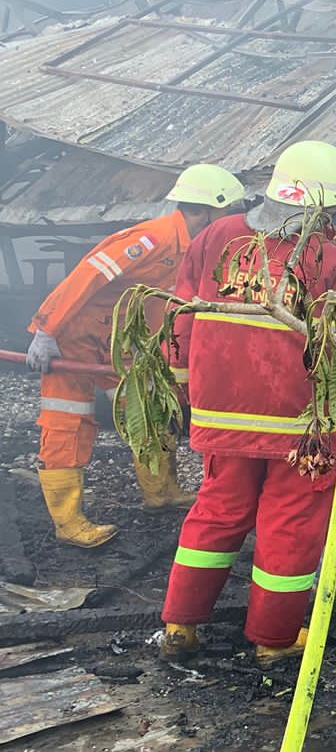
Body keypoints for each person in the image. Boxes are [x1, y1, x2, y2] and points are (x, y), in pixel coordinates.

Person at [158, 141, 336, 666]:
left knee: (217, 511)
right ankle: (273, 638)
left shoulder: (217, 235)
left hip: (222, 415)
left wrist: (180, 382)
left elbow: (182, 309)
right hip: (301, 423)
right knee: (292, 521)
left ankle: (180, 625)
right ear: (327, 209)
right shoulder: (332, 256)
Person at [25, 164, 247, 548]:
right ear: (206, 211)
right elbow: (86, 276)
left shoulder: (195, 248)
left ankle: (161, 492)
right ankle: (69, 523)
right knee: (67, 424)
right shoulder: (152, 239)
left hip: (121, 343)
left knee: (150, 412)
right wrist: (46, 329)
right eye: (230, 213)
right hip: (74, 340)